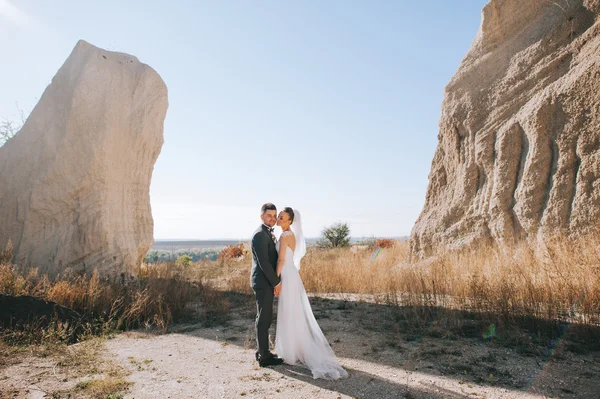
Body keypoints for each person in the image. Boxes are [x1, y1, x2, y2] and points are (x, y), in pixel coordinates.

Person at [273, 207, 348, 380]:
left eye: (282, 217)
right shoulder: (287, 234)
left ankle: (291, 351)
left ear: (290, 221)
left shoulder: (286, 236)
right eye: (279, 216)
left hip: (287, 275)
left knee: (289, 311)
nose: (278, 218)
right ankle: (291, 349)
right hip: (290, 274)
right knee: (291, 312)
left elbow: (282, 259)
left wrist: (275, 281)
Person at [250, 203, 284, 367]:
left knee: (265, 317)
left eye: (274, 215)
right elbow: (264, 263)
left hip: (266, 281)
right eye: (269, 215)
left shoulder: (268, 233)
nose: (272, 218)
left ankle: (262, 352)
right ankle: (264, 357)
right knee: (263, 319)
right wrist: (276, 282)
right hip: (263, 282)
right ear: (262, 216)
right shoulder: (259, 235)